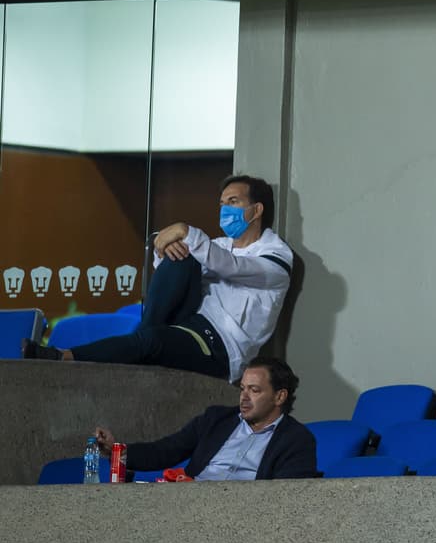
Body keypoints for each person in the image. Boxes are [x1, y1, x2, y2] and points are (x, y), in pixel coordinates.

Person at [23, 175, 293, 383]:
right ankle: (144, 335)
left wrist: (182, 230)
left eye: (233, 202)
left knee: (150, 340)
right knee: (184, 255)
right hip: (190, 322)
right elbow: (179, 268)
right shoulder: (220, 244)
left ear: (256, 210)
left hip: (221, 348)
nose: (224, 210)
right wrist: (163, 248)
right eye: (222, 204)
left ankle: (63, 356)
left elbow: (232, 267)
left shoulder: (275, 257)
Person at [94, 356, 317, 480]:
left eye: (255, 390)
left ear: (279, 396)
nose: (244, 398)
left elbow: (285, 500)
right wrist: (117, 449)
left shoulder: (296, 440)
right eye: (242, 389)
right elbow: (166, 450)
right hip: (188, 504)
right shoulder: (216, 419)